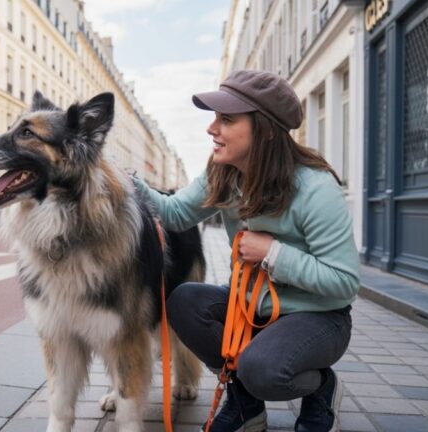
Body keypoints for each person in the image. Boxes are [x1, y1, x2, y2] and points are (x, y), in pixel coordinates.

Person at [132, 70, 359, 432]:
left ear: (265, 129)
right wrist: (126, 182)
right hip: (252, 310)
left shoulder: (315, 187)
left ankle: (322, 388)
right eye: (215, 118)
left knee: (261, 370)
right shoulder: (223, 174)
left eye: (227, 119)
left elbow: (345, 283)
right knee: (185, 301)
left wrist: (274, 253)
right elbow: (175, 214)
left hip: (319, 318)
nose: (212, 128)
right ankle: (246, 408)